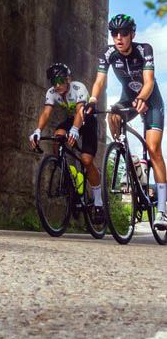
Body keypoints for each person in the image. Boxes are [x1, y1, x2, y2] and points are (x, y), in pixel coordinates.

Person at [87, 13, 166, 230]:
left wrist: (142, 98)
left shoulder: (145, 50)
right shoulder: (108, 53)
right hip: (128, 98)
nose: (119, 37)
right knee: (113, 114)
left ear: (132, 34)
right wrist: (92, 100)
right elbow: (100, 81)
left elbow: (149, 82)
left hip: (151, 100)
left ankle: (162, 210)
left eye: (123, 33)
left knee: (154, 149)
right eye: (114, 33)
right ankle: (126, 155)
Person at [29, 62, 102, 222]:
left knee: (86, 160)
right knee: (58, 137)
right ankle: (67, 173)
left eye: (60, 81)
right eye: (54, 82)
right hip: (71, 119)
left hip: (87, 121)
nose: (57, 85)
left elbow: (80, 111)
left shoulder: (78, 88)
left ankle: (98, 202)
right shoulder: (52, 92)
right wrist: (38, 130)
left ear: (68, 79)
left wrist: (75, 129)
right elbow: (46, 112)